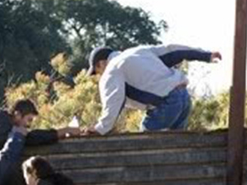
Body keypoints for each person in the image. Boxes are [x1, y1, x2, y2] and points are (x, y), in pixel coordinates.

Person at [85, 44, 222, 134]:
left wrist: (100, 129)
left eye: (97, 71)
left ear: (101, 63)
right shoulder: (139, 51)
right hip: (184, 97)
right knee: (176, 145)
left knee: (145, 145)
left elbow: (114, 101)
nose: (99, 76)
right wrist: (206, 55)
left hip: (166, 103)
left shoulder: (111, 70)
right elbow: (174, 50)